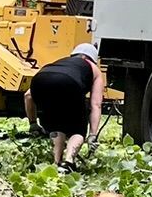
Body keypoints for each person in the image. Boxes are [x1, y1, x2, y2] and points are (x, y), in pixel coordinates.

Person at [28, 41, 106, 170]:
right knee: (77, 129)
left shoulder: (59, 62)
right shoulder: (93, 68)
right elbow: (96, 104)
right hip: (70, 83)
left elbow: (28, 96)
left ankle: (56, 163)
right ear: (89, 58)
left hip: (40, 80)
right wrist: (92, 134)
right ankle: (68, 162)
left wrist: (33, 123)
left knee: (56, 125)